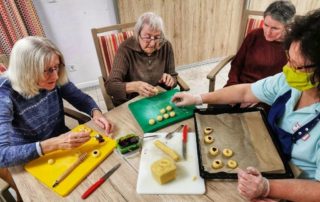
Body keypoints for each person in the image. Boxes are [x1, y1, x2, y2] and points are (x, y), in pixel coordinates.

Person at [172, 9, 320, 201]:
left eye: (296, 65)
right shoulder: (287, 82)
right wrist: (198, 98)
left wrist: (268, 188)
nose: (287, 69)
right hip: (264, 156)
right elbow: (245, 91)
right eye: (288, 59)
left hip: (295, 188)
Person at [0, 36, 112, 167]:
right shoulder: (4, 94)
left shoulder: (54, 75)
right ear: (26, 71)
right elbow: (2, 156)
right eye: (47, 70)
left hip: (62, 142)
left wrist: (96, 112)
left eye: (56, 67)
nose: (56, 76)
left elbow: (80, 98)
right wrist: (54, 143)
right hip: (28, 158)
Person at [224, 0, 295, 109]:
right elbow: (237, 64)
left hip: (266, 96)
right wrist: (232, 87)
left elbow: (288, 83)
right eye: (266, 25)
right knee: (211, 116)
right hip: (238, 87)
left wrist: (258, 97)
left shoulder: (294, 47)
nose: (267, 32)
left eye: (275, 28)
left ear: (287, 26)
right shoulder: (254, 35)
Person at [106, 12, 178, 106]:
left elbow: (173, 77)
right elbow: (110, 86)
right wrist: (134, 86)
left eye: (157, 37)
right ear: (137, 34)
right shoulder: (125, 49)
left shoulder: (166, 46)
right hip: (132, 102)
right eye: (147, 37)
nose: (152, 44)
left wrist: (171, 80)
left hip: (158, 98)